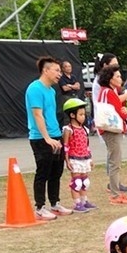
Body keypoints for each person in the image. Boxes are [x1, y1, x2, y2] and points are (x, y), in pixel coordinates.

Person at [26, 56, 72, 220]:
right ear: (45, 70)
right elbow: (37, 115)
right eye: (57, 70)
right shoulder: (34, 88)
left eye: (60, 70)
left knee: (56, 172)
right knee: (43, 172)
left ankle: (55, 203)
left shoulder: (52, 91)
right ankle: (40, 207)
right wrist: (46, 138)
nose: (60, 74)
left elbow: (51, 115)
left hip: (55, 135)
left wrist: (56, 136)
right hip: (40, 138)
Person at [96, 66, 127, 204]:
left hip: (111, 130)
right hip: (111, 130)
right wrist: (124, 112)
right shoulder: (108, 92)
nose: (120, 79)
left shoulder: (109, 91)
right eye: (117, 76)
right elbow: (118, 110)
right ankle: (115, 194)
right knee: (115, 162)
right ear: (110, 79)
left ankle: (116, 192)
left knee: (115, 161)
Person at [62, 97, 95, 213]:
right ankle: (77, 204)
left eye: (84, 114)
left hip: (84, 158)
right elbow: (65, 146)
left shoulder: (85, 129)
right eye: (80, 114)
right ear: (72, 115)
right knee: (77, 182)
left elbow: (87, 145)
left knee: (85, 182)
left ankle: (84, 201)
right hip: (74, 158)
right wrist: (67, 160)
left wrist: (90, 158)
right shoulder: (68, 130)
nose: (83, 117)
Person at [56, 60, 81, 126]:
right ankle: (67, 131)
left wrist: (70, 85)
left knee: (77, 113)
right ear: (63, 69)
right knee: (67, 114)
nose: (68, 68)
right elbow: (65, 88)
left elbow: (78, 87)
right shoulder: (61, 78)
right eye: (66, 66)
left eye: (69, 66)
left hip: (75, 96)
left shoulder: (73, 77)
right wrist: (73, 86)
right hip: (66, 97)